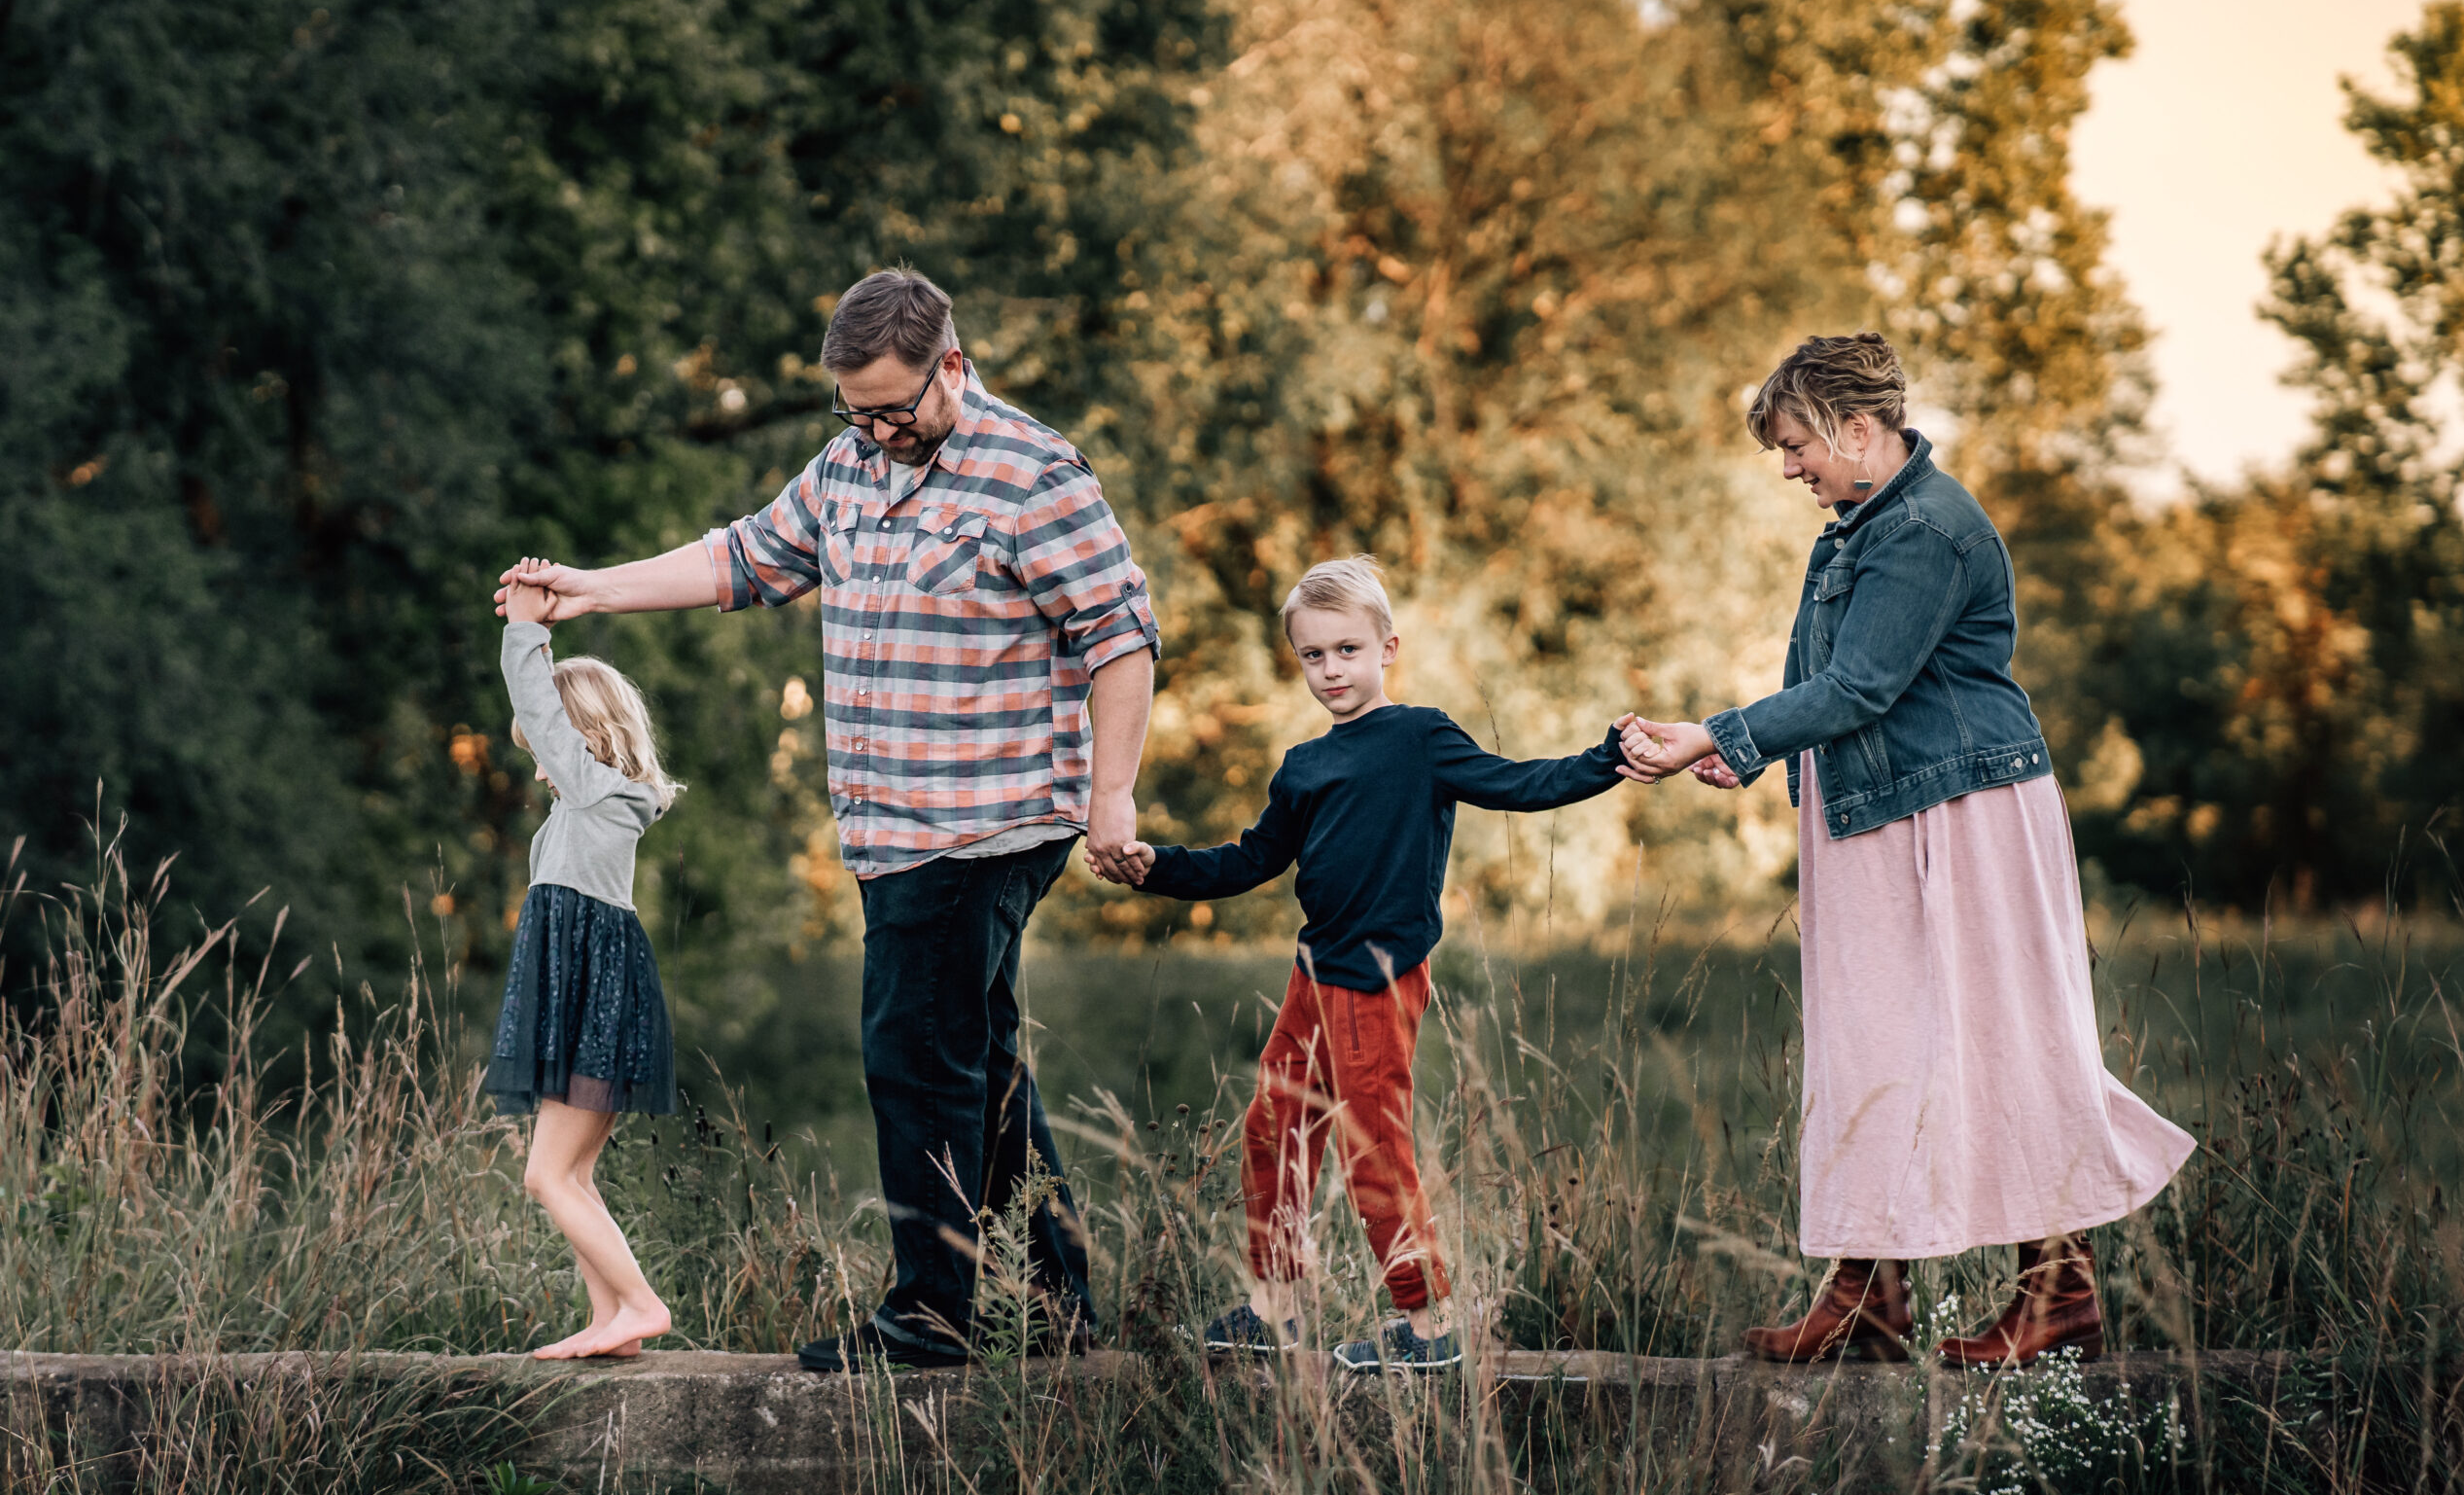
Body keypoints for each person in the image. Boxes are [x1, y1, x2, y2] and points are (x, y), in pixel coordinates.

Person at [497, 268, 1156, 1371]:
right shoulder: (853, 460)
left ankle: (931, 1315)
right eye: (854, 411)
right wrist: (591, 589)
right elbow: (745, 556)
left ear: (950, 365)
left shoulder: (1033, 474)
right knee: (974, 1053)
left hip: (982, 818)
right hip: (890, 826)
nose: (876, 430)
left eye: (893, 408)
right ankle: (1052, 1298)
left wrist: (1112, 796)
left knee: (911, 1050)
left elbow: (1120, 635)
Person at [1620, 333, 2195, 1367]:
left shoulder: (1926, 528)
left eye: (1796, 444)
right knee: (1869, 1045)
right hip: (1877, 812)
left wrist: (1722, 732)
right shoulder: (1858, 523)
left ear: (1854, 428)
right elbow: (1826, 675)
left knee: (2001, 1035)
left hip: (1964, 812)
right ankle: (1867, 1294)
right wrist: (1746, 755)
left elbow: (1861, 686)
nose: (1789, 467)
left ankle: (2057, 1294)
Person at [1090, 557, 1647, 1372]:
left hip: (1378, 977)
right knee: (1273, 1128)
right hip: (1315, 973)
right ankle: (1273, 1306)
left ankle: (1426, 1326)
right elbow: (1248, 862)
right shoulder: (1303, 768)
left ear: (1388, 647)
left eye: (1347, 650)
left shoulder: (1420, 738)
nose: (1330, 671)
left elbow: (1517, 783)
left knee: (1371, 1145)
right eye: (1313, 656)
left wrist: (1606, 759)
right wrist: (1157, 866)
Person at [488, 559, 682, 1360]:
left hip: (594, 1003)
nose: (539, 765)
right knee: (571, 1177)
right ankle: (612, 1322)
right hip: (595, 1000)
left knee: (544, 1177)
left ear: (578, 737)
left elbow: (536, 696)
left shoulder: (596, 795)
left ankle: (639, 1304)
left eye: (544, 748)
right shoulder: (591, 807)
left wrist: (525, 628)